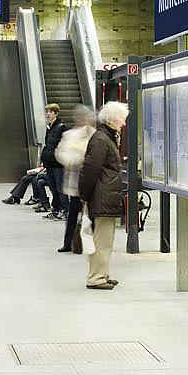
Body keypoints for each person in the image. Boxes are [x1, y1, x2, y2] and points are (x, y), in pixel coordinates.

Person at [78, 100, 128, 289]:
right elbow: (89, 169)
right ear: (113, 119)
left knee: (105, 240)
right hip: (102, 196)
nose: (123, 124)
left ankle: (102, 274)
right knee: (102, 241)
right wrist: (85, 195)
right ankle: (96, 278)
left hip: (105, 196)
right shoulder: (101, 139)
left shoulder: (105, 137)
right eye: (122, 120)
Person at [55, 105, 96, 254]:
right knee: (72, 214)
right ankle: (68, 243)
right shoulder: (70, 135)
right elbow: (61, 154)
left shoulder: (95, 135)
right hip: (75, 183)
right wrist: (78, 158)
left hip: (92, 183)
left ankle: (91, 242)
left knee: (92, 215)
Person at [39, 103, 68, 218]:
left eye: (50, 112)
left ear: (56, 113)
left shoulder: (61, 127)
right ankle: (56, 209)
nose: (48, 114)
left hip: (58, 163)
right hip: (50, 163)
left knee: (60, 187)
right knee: (53, 187)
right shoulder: (49, 128)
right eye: (47, 112)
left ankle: (65, 209)